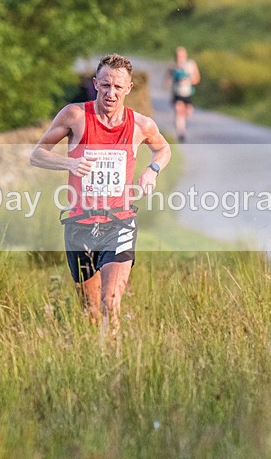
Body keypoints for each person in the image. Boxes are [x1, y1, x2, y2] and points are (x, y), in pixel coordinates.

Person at [30, 54, 171, 334]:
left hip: (118, 223)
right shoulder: (75, 116)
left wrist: (151, 170)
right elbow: (37, 154)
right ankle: (97, 363)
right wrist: (70, 162)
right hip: (79, 225)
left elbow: (163, 149)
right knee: (92, 310)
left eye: (118, 87)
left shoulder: (141, 125)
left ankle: (116, 370)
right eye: (105, 85)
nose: (111, 93)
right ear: (95, 84)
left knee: (110, 302)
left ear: (129, 88)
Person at [165, 46, 201, 143]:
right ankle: (180, 133)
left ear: (185, 55)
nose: (179, 57)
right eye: (177, 55)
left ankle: (180, 123)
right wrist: (168, 84)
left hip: (188, 93)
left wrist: (189, 80)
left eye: (181, 55)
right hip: (176, 93)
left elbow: (197, 78)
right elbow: (167, 78)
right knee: (178, 109)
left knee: (187, 112)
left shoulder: (191, 64)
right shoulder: (172, 66)